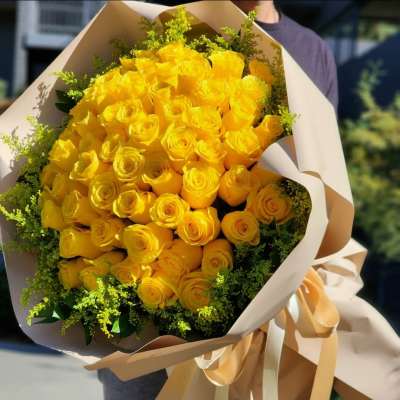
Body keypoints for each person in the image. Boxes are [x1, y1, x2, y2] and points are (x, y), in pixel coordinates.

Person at [98, 1, 338, 399]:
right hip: (155, 322)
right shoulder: (169, 24)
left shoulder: (313, 52)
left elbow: (325, 181)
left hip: (265, 330)